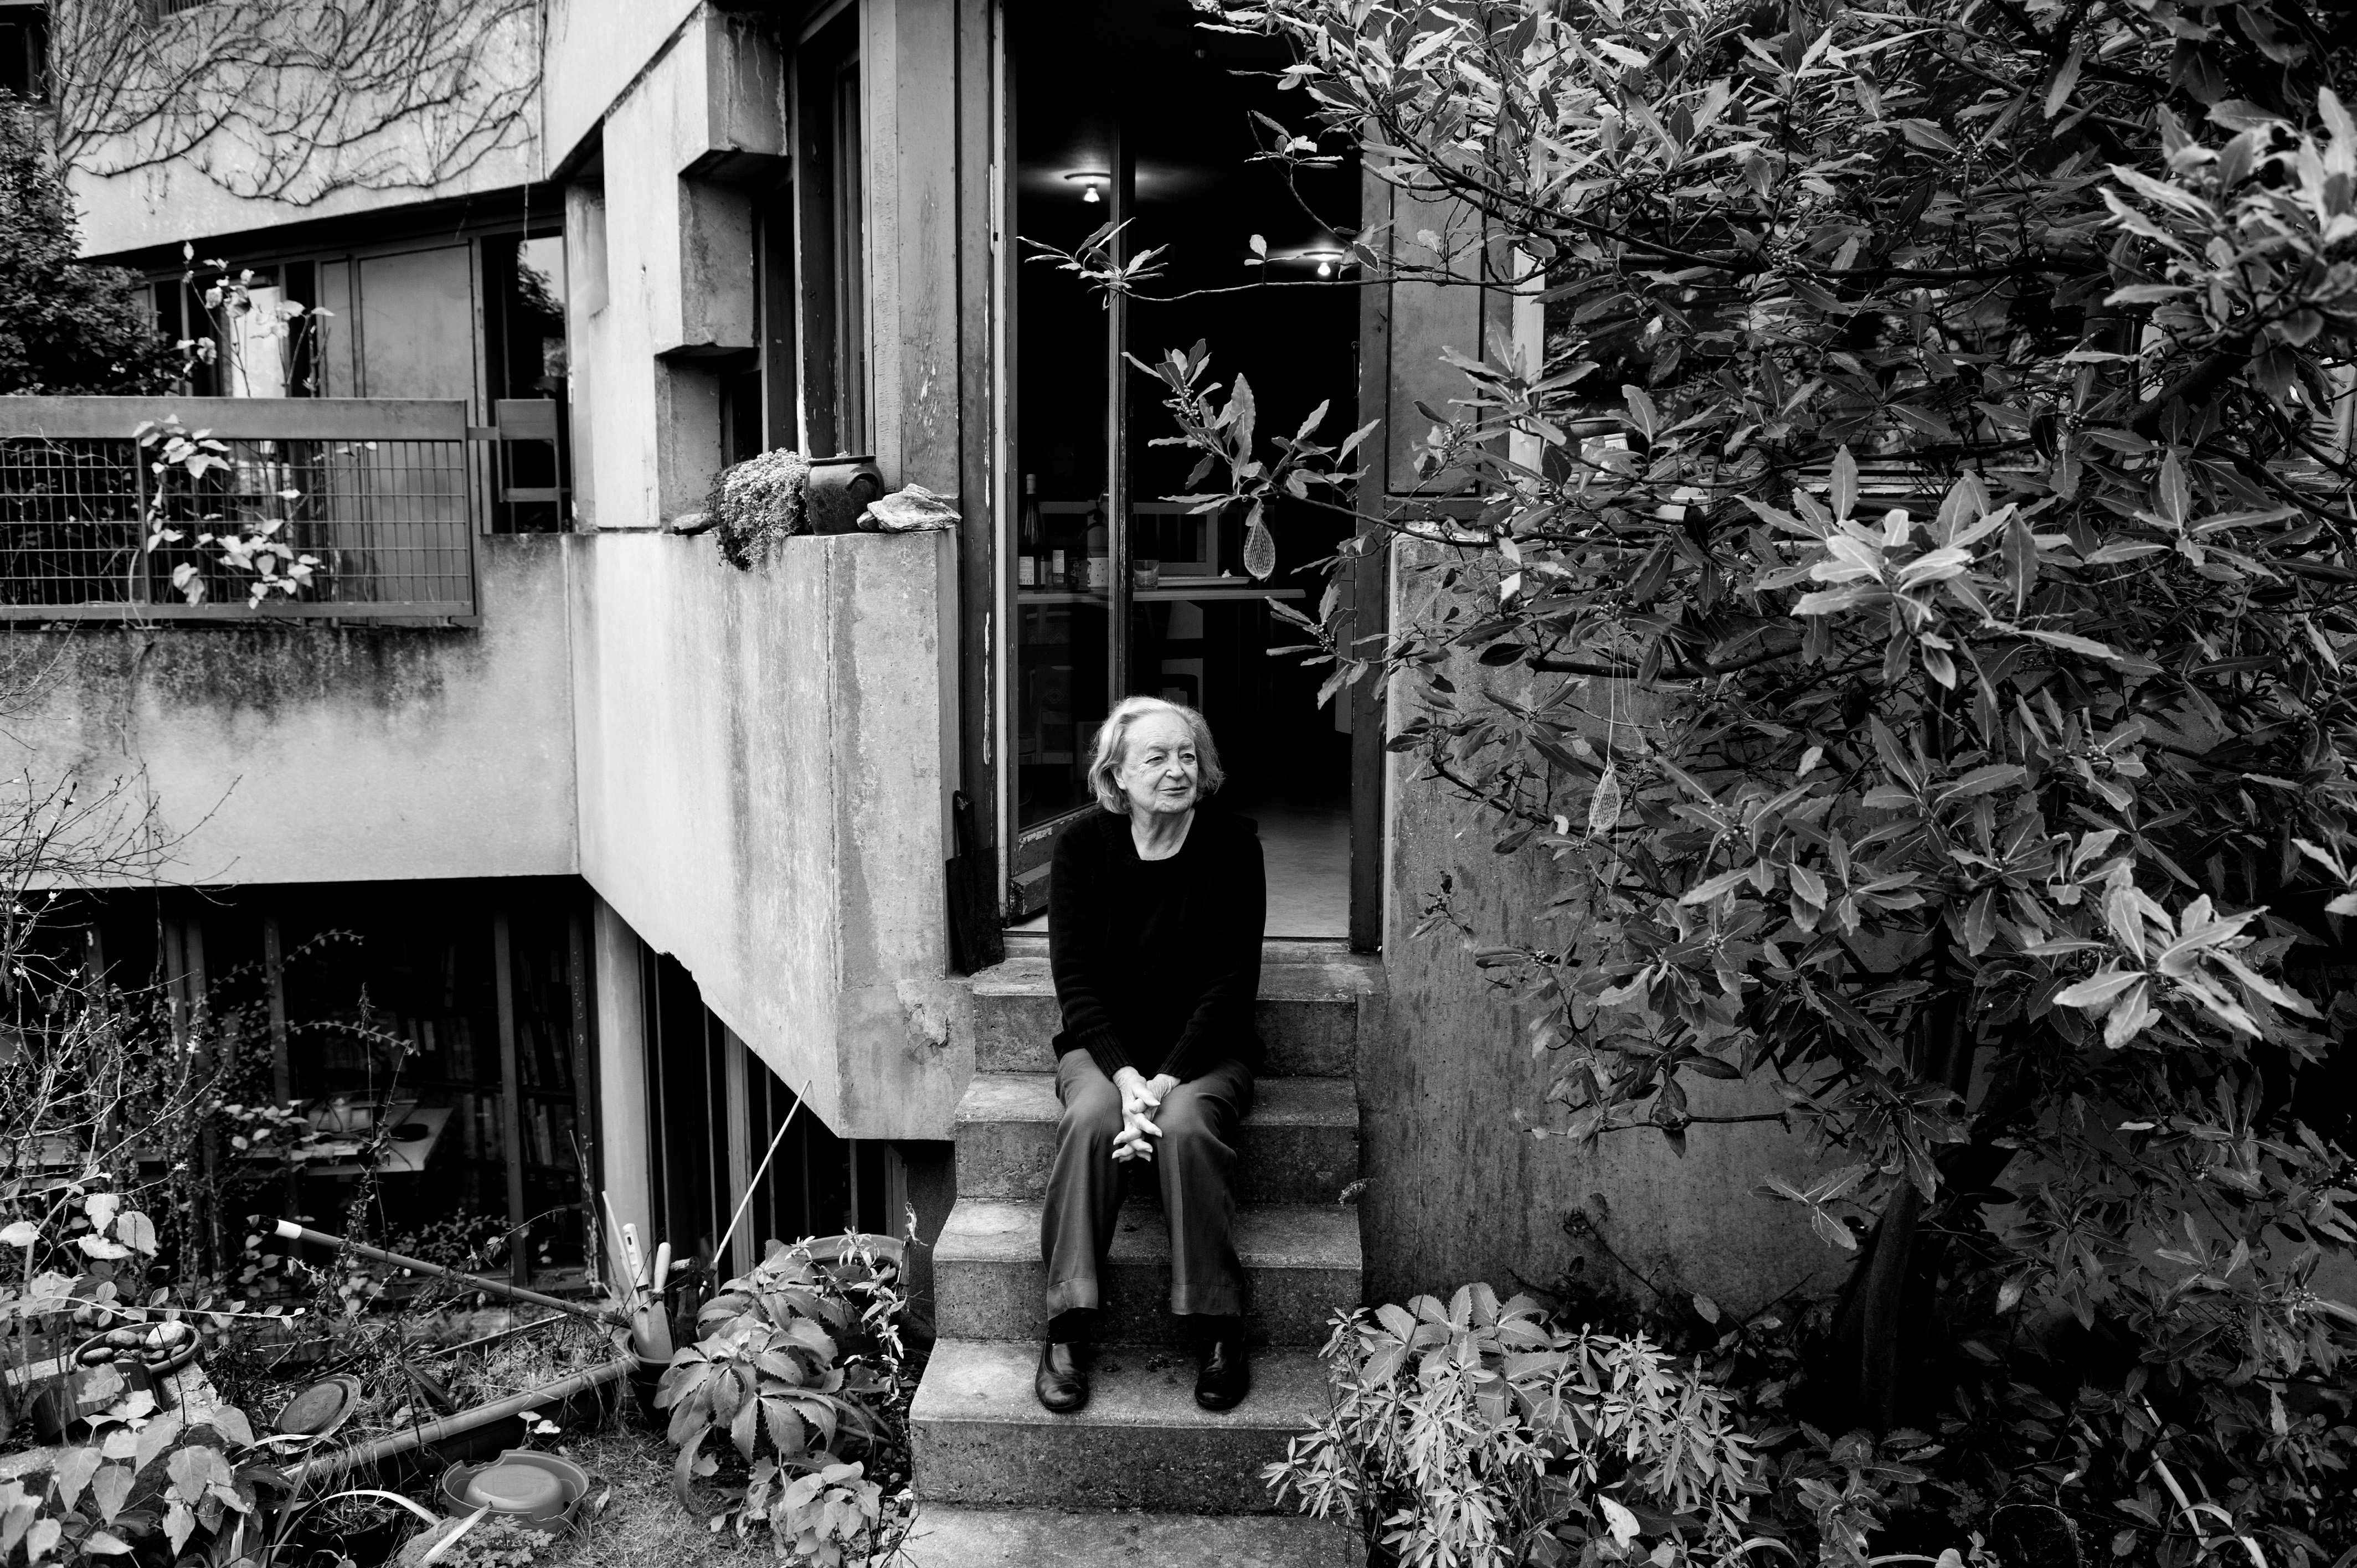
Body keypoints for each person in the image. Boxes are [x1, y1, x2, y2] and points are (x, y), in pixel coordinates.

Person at [1035, 695, 1265, 1415]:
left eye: (1187, 755)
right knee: (1095, 1118)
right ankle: (1066, 1323)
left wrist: (1164, 1081)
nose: (1177, 769)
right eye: (1157, 757)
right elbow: (1075, 982)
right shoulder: (1079, 851)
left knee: (1189, 1126)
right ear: (1117, 776)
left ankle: (1218, 1323)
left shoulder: (1233, 845)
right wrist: (1130, 1078)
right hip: (1107, 1055)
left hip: (1203, 1052)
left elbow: (1233, 986)